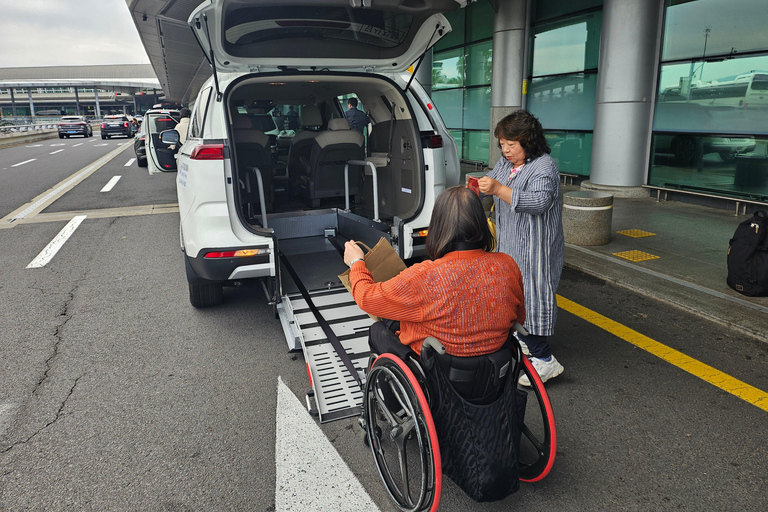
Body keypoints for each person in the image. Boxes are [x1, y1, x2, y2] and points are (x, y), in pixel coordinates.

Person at [343, 186, 525, 358]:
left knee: (378, 331)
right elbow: (519, 317)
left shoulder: (424, 276)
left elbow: (366, 298)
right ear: (480, 223)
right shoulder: (507, 264)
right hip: (494, 366)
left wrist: (357, 262)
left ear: (438, 227)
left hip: (438, 369)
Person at [478, 110, 565, 386]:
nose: (505, 150)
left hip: (535, 249)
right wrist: (477, 190)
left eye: (511, 145)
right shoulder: (508, 164)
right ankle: (524, 341)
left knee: (532, 299)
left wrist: (497, 189)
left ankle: (545, 360)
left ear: (528, 141)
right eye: (502, 144)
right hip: (511, 245)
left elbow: (537, 202)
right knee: (511, 295)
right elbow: (492, 183)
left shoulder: (544, 167)